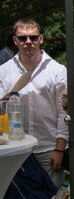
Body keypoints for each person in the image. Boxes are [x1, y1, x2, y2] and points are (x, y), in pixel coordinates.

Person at [0, 19, 67, 185]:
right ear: (15, 41)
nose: (28, 42)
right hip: (15, 146)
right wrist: (3, 99)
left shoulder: (57, 70)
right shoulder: (4, 70)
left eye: (33, 37)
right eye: (23, 38)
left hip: (48, 146)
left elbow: (64, 112)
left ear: (41, 39)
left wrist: (59, 148)